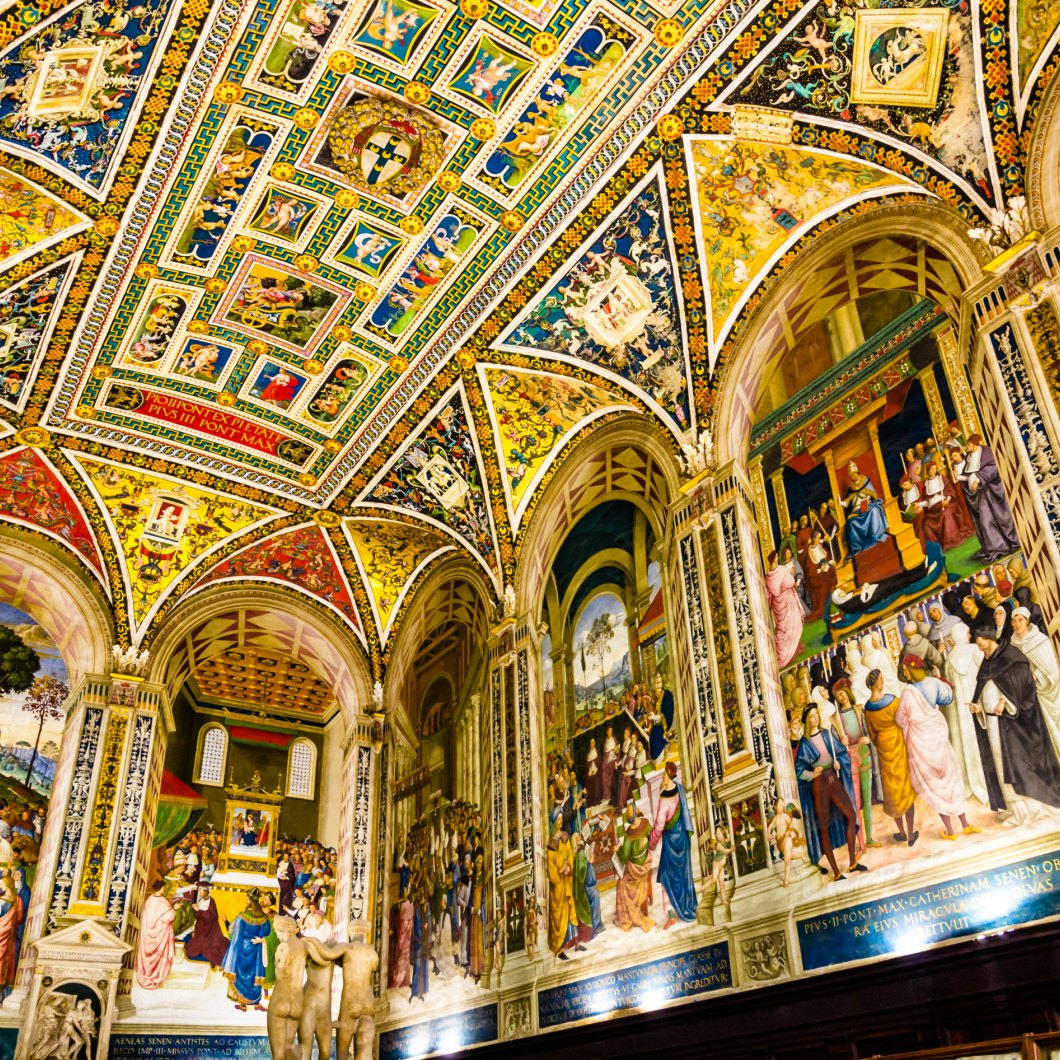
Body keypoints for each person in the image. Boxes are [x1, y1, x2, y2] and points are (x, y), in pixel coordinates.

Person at [970, 625, 1060, 820]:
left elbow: (1026, 686)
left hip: (1013, 726)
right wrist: (980, 709)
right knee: (1000, 765)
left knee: (1017, 764)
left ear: (989, 639)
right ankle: (1014, 810)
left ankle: (1030, 809)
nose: (979, 647)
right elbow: (986, 690)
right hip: (993, 724)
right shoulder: (986, 663)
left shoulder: (1012, 657)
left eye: (981, 643)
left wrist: (1006, 702)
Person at [895, 656, 978, 839]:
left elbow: (900, 719)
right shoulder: (933, 683)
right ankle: (965, 824)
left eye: (905, 670)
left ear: (911, 670)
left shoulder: (908, 693)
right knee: (951, 779)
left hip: (922, 745)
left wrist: (914, 724)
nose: (904, 673)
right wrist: (940, 678)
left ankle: (951, 831)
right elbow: (948, 697)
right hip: (938, 737)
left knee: (936, 787)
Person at [794, 704, 864, 881]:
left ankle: (852, 862)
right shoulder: (805, 743)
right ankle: (836, 872)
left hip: (833, 778)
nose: (815, 718)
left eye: (816, 715)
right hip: (820, 784)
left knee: (851, 815)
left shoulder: (825, 734)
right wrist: (811, 774)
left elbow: (839, 751)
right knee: (824, 827)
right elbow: (799, 770)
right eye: (811, 716)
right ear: (806, 721)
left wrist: (837, 761)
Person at [863, 669, 918, 846]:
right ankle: (911, 834)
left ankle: (902, 832)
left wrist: (881, 743)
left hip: (883, 749)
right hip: (898, 744)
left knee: (892, 792)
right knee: (905, 789)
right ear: (876, 682)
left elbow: (872, 734)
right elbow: (903, 720)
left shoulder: (868, 709)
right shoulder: (893, 701)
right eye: (881, 679)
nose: (883, 681)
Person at [943, 624, 992, 807]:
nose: (970, 635)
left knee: (968, 741)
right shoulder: (974, 650)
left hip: (961, 709)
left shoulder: (949, 659)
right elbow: (986, 671)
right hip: (979, 700)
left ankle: (973, 782)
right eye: (968, 633)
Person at [955, 435, 1021, 561]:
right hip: (981, 495)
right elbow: (969, 475)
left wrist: (979, 480)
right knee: (985, 522)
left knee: (1003, 518)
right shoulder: (968, 457)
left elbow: (994, 468)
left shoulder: (986, 452)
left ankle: (1012, 541)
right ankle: (996, 548)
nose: (966, 447)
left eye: (968, 444)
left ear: (975, 444)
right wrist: (959, 477)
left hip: (993, 492)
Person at [649, 761, 698, 927]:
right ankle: (688, 905)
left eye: (663, 774)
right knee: (683, 873)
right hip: (682, 839)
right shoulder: (679, 789)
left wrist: (651, 842)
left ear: (668, 776)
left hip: (670, 843)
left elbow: (659, 826)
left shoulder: (664, 799)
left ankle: (671, 915)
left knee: (665, 876)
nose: (662, 777)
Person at [1008, 608, 1060, 758]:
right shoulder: (1013, 644)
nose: (1017, 624)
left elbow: (1052, 667)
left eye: (1020, 620)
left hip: (1049, 689)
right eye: (1014, 621)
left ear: (1027, 621)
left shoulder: (1041, 640)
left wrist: (1034, 677)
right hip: (1031, 693)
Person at [833, 679, 878, 847]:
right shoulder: (835, 719)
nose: (841, 697)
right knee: (856, 802)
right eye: (838, 695)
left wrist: (868, 738)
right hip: (850, 759)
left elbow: (869, 730)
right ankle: (861, 843)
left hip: (864, 754)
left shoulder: (859, 709)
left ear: (848, 692)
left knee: (867, 799)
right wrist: (841, 743)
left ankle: (870, 838)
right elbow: (834, 747)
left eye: (843, 693)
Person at [222, 888, 271, 1011]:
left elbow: (234, 935)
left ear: (250, 900)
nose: (245, 899)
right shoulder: (264, 918)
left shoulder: (242, 917)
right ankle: (256, 1003)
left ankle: (243, 1005)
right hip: (256, 950)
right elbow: (267, 932)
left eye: (247, 898)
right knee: (254, 974)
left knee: (241, 974)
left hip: (241, 948)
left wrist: (226, 922)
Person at [614, 803, 654, 932]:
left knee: (621, 883)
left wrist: (617, 849)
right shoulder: (645, 823)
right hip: (646, 863)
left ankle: (626, 915)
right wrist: (647, 840)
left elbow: (624, 857)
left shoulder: (629, 834)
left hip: (636, 869)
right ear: (637, 813)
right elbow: (653, 839)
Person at [765, 549, 808, 668]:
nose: (778, 558)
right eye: (776, 556)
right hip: (787, 601)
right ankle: (789, 654)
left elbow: (771, 593)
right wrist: (791, 575)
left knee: (784, 629)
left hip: (778, 604)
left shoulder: (768, 577)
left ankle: (794, 650)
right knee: (793, 625)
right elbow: (790, 582)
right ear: (775, 559)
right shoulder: (781, 570)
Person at [840, 460, 889, 554]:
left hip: (867, 505)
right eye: (851, 476)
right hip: (856, 511)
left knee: (874, 510)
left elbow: (874, 494)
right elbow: (848, 502)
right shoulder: (851, 488)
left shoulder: (865, 480)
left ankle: (875, 536)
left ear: (857, 473)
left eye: (854, 474)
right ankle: (858, 548)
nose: (853, 477)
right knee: (851, 523)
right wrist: (841, 502)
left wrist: (867, 495)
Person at [135, 880, 176, 990]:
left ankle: (146, 974)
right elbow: (170, 916)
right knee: (160, 954)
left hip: (147, 932)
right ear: (161, 888)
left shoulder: (149, 901)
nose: (164, 889)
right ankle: (156, 976)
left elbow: (146, 917)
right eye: (163, 887)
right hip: (160, 933)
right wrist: (174, 909)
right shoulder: (164, 902)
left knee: (149, 954)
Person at [546, 829, 577, 959]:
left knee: (568, 910)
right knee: (558, 917)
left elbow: (569, 857)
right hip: (557, 888)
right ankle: (559, 947)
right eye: (557, 821)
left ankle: (571, 942)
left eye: (560, 820)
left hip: (565, 884)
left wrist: (568, 868)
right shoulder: (551, 845)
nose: (559, 824)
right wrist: (559, 871)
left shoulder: (565, 839)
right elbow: (550, 865)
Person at [184, 886, 229, 968]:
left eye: (202, 891)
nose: (200, 893)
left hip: (209, 928)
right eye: (200, 891)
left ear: (206, 892)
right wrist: (196, 911)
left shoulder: (211, 901)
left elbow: (210, 916)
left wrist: (198, 910)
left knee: (209, 945)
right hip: (200, 925)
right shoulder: (201, 900)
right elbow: (198, 915)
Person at [571, 833, 603, 943]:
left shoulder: (579, 853)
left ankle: (597, 924)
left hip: (580, 887)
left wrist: (588, 862)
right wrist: (589, 863)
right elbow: (587, 878)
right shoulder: (580, 854)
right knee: (594, 894)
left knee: (594, 893)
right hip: (582, 889)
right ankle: (596, 925)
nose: (580, 839)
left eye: (580, 837)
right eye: (578, 839)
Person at [767, 800, 803, 886]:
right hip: (780, 842)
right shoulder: (775, 818)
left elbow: (791, 826)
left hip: (787, 839)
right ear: (775, 807)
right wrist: (768, 834)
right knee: (789, 856)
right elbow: (770, 826)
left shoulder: (785, 816)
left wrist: (789, 832)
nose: (782, 807)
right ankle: (801, 855)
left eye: (783, 805)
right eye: (780, 805)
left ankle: (786, 879)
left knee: (787, 859)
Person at [647, 673, 675, 762]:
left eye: (658, 683)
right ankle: (656, 759)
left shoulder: (667, 696)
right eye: (655, 684)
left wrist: (655, 717)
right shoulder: (658, 698)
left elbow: (667, 716)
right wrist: (653, 715)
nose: (656, 687)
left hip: (667, 726)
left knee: (657, 734)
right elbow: (658, 712)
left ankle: (660, 758)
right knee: (653, 734)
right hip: (659, 726)